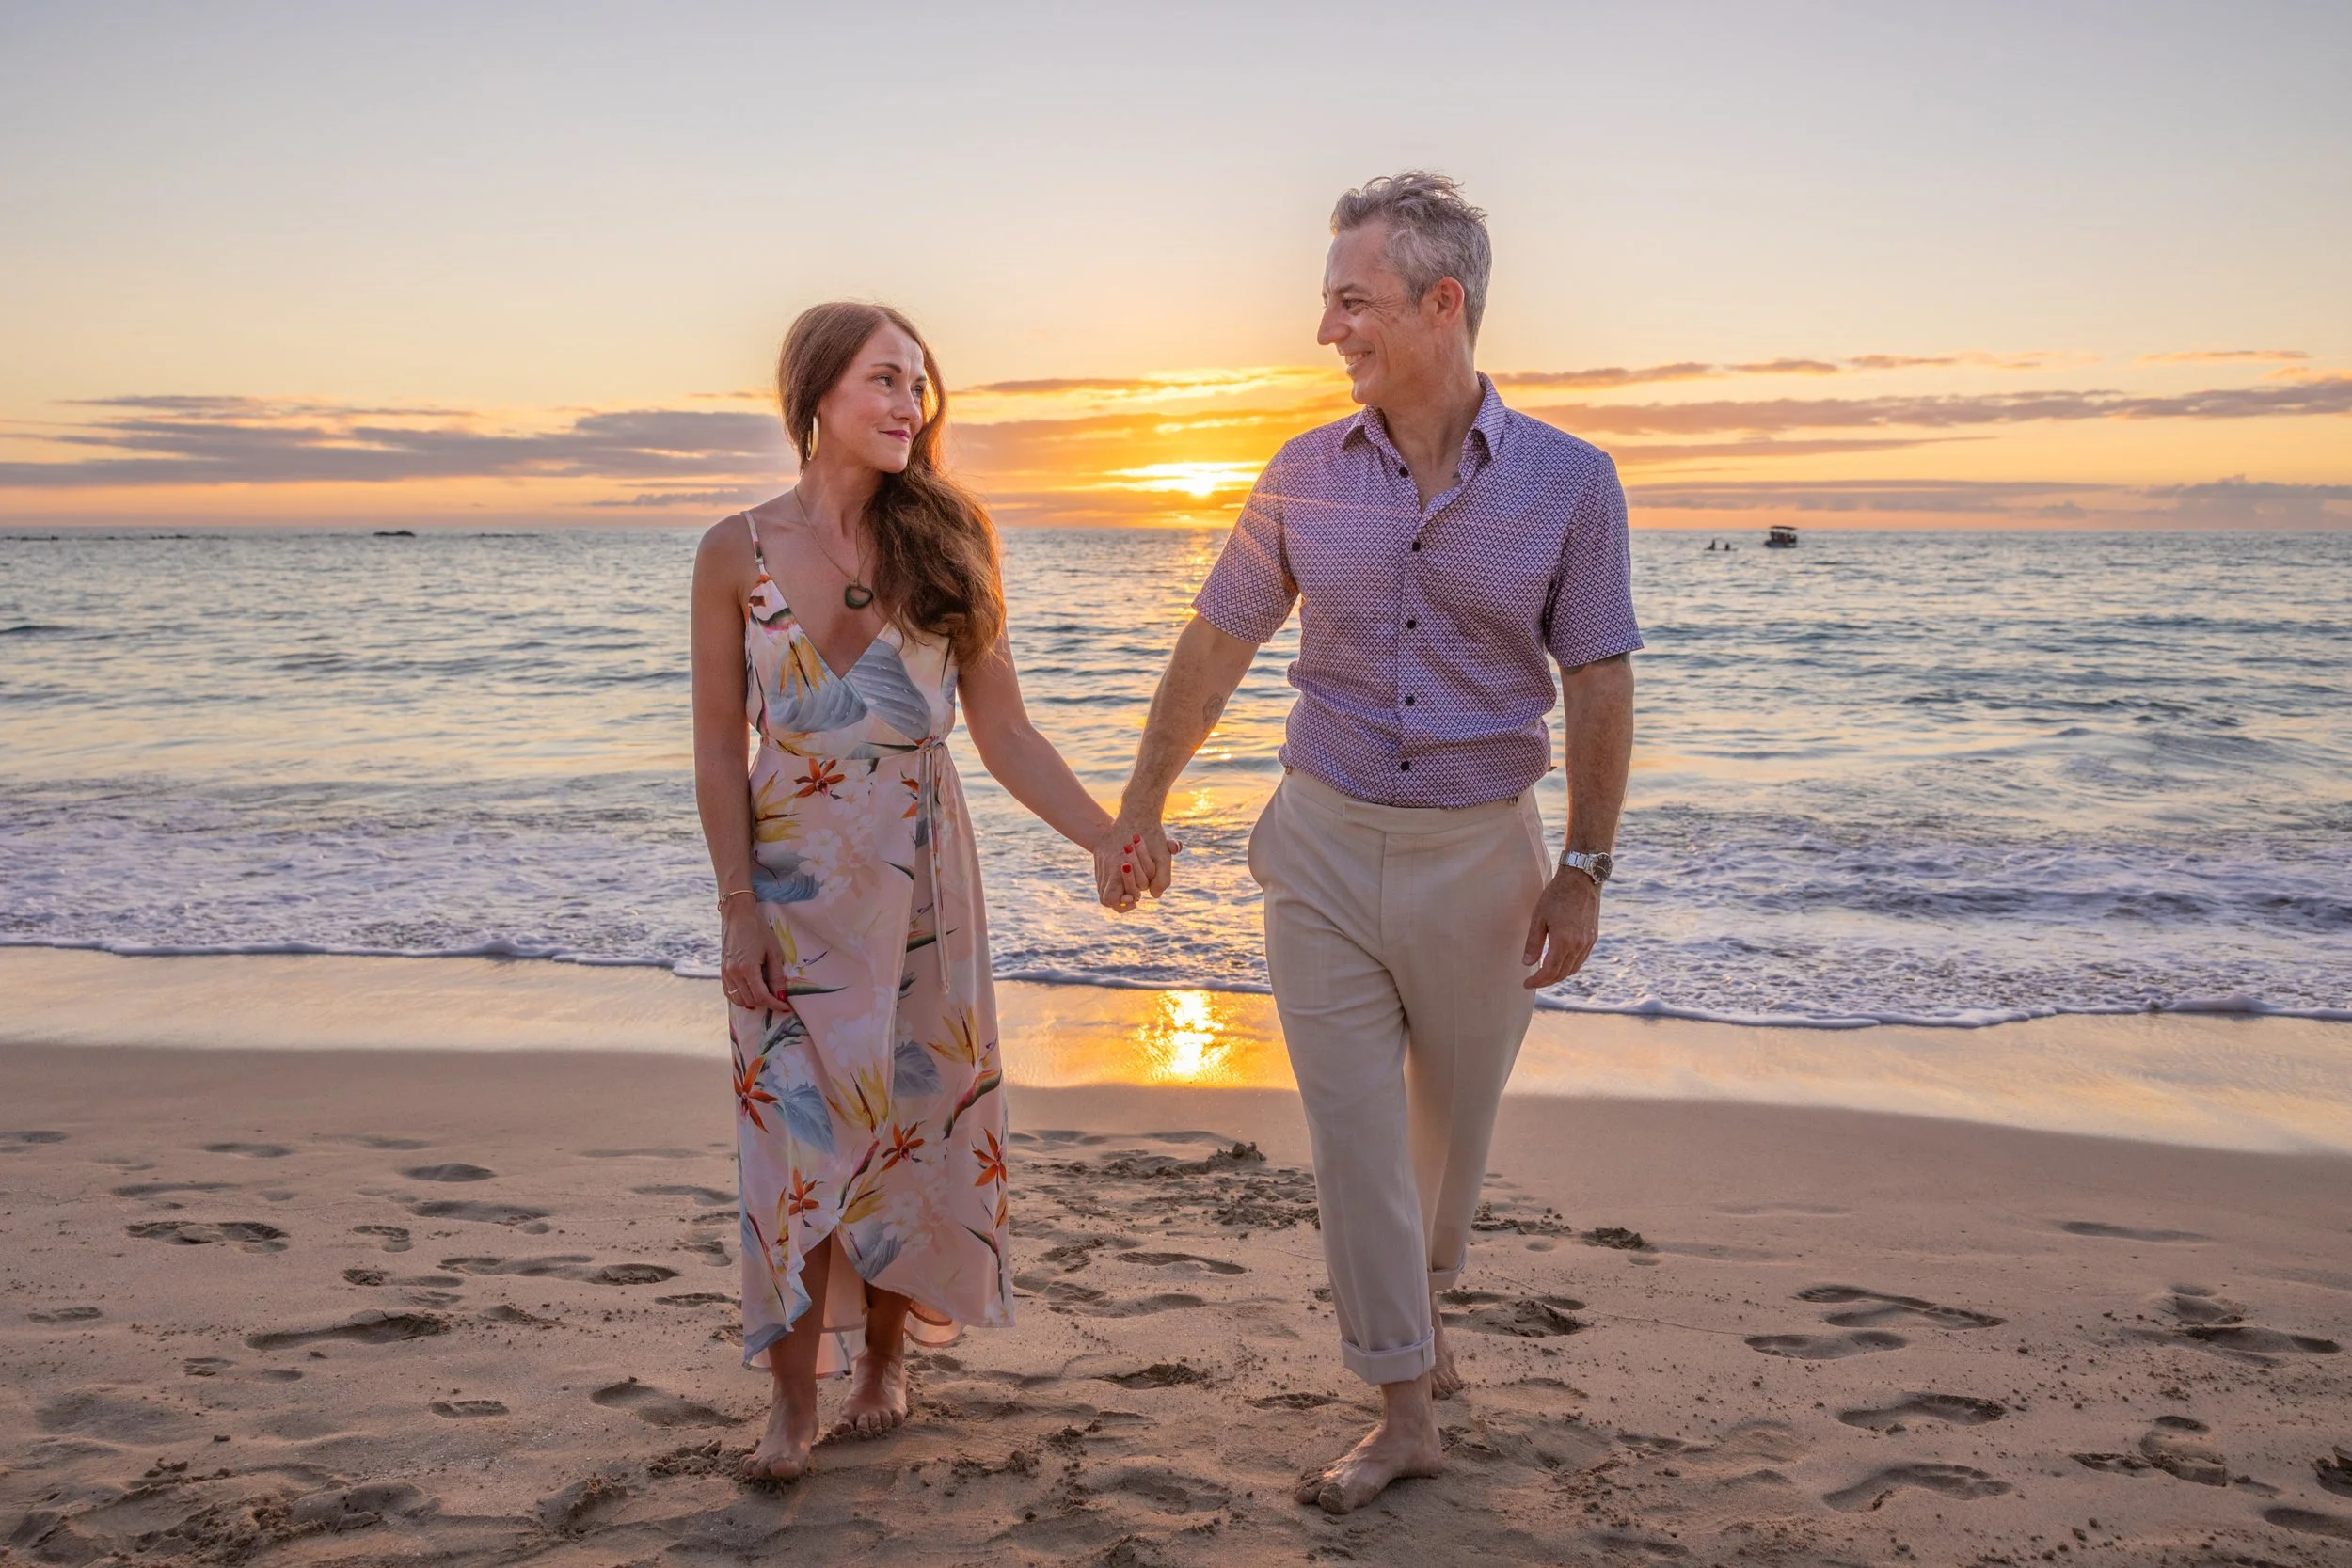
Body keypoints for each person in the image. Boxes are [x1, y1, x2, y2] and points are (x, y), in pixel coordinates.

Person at [1097, 172, 1640, 1514]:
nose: (1327, 326)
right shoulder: (1299, 474)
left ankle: (1422, 1314)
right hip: (1324, 843)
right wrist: (1142, 801)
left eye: (1352, 299)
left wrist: (1584, 865)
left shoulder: (1574, 484)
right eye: (1328, 298)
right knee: (1353, 1135)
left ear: (1439, 303)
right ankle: (1402, 1403)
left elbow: (1601, 681)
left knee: (1447, 1138)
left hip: (1482, 854)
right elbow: (1217, 640)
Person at [692, 301, 1132, 1481]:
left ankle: (885, 1356)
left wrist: (1105, 833)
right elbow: (712, 752)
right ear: (817, 393)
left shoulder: (950, 536)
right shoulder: (734, 551)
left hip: (924, 879)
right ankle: (788, 1401)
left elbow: (1006, 733)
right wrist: (736, 903)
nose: (909, 404)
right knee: (788, 1132)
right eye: (886, 380)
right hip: (789, 887)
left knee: (907, 1126)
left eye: (920, 384)